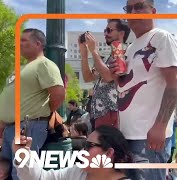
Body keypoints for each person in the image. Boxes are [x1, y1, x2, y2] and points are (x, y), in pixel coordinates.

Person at [109, 1, 177, 179]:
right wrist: (116, 74)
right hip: (127, 134)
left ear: (153, 11)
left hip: (148, 136)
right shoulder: (132, 47)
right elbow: (124, 86)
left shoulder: (161, 37)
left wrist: (160, 126)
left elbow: (175, 84)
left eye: (140, 6)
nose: (134, 12)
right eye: (129, 8)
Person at [0, 28, 65, 180]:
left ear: (38, 43)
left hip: (28, 126)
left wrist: (41, 113)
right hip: (10, 128)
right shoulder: (20, 68)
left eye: (23, 40)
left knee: (22, 173)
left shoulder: (44, 64)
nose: (19, 44)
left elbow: (58, 93)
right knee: (5, 171)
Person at [13, 125, 137, 180]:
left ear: (108, 153)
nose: (82, 151)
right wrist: (23, 154)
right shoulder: (76, 172)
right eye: (84, 145)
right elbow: (40, 178)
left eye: (89, 146)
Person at [79, 19, 130, 130]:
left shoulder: (124, 53)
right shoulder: (109, 58)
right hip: (101, 114)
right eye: (105, 30)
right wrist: (84, 53)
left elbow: (108, 77)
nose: (106, 34)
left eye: (109, 30)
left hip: (111, 113)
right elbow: (88, 77)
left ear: (121, 33)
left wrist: (94, 51)